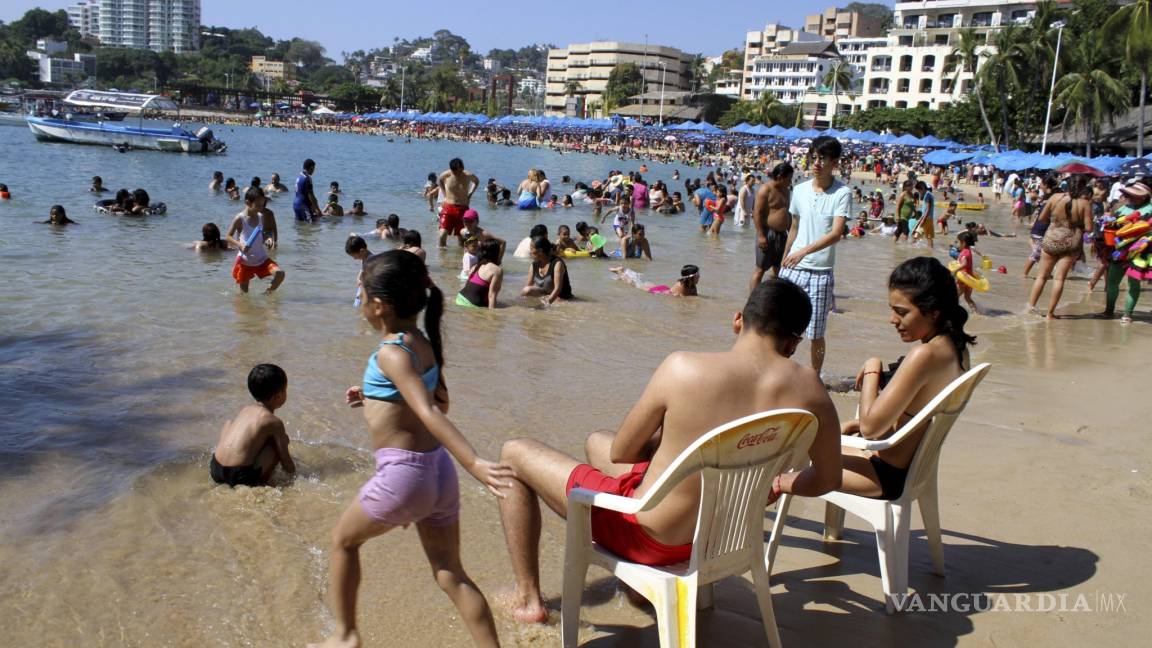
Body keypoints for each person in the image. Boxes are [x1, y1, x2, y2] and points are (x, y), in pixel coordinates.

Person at [495, 279, 842, 622]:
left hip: (650, 539)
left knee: (514, 453)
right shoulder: (810, 390)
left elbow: (624, 451)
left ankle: (529, 600)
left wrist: (673, 432)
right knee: (595, 441)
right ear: (795, 342)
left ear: (738, 319)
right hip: (719, 541)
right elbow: (828, 478)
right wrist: (779, 484)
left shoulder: (683, 368)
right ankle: (634, 587)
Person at [310, 251, 510, 648]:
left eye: (360, 296)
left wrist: (474, 462)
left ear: (379, 305)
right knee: (450, 571)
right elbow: (436, 401)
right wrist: (370, 395)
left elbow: (429, 410)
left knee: (342, 542)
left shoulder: (390, 352)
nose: (359, 304)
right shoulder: (419, 342)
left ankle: (346, 635)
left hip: (404, 475)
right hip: (437, 472)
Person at [837, 257, 974, 499]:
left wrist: (872, 368)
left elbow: (871, 429)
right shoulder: (957, 348)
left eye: (901, 312)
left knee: (788, 452)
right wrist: (852, 424)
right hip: (908, 469)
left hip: (881, 474)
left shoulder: (925, 355)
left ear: (934, 312)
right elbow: (918, 414)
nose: (893, 319)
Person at [210, 363, 296, 488]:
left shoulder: (246, 409)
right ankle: (262, 484)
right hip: (239, 478)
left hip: (216, 469)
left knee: (229, 423)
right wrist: (296, 475)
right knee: (280, 441)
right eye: (285, 390)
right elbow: (286, 462)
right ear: (278, 395)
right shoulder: (273, 422)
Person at [1027, 175, 1093, 319]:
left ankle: (1031, 307)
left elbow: (1042, 218)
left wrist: (1056, 221)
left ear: (1067, 185)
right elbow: (1089, 228)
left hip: (1051, 239)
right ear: (1083, 187)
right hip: (1071, 243)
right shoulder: (1085, 203)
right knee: (1059, 279)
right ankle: (1050, 314)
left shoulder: (1055, 197)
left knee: (1042, 277)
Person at [1101, 181, 1152, 323]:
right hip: (1119, 250)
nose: (1130, 196)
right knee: (1112, 282)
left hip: (1141, 251)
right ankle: (1109, 310)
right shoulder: (1123, 208)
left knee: (1133, 284)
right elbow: (1110, 226)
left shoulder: (1150, 209)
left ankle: (1127, 315)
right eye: (1129, 194)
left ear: (1144, 197)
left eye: (1134, 195)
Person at [227, 187, 285, 294]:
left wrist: (267, 239)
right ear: (248, 203)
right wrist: (240, 245)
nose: (260, 208)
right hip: (245, 261)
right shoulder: (240, 218)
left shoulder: (260, 217)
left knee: (280, 274)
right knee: (244, 294)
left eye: (262, 205)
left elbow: (260, 234)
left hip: (261, 259)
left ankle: (266, 295)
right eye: (258, 205)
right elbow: (228, 236)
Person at [750, 162, 795, 291]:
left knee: (779, 268)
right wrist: (761, 235)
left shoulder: (786, 191)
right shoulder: (766, 189)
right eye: (789, 178)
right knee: (760, 270)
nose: (790, 182)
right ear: (780, 176)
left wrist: (791, 231)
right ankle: (753, 300)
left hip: (782, 235)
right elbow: (756, 213)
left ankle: (772, 297)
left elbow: (787, 212)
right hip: (767, 233)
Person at [437, 158, 479, 247]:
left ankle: (460, 257)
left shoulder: (468, 175)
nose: (456, 172)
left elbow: (477, 181)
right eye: (454, 170)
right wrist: (445, 195)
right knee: (442, 235)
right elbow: (439, 180)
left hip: (463, 208)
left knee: (462, 238)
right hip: (448, 206)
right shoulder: (446, 174)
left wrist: (470, 193)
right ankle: (442, 257)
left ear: (462, 168)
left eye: (458, 170)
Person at [521, 237, 573, 304]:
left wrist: (547, 304)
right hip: (546, 294)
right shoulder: (534, 265)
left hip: (561, 297)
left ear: (540, 251)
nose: (530, 252)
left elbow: (558, 288)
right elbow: (528, 286)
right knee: (527, 290)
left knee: (558, 300)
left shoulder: (557, 264)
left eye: (531, 249)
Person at [456, 239, 504, 309]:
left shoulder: (476, 266)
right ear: (496, 253)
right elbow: (492, 295)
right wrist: (492, 317)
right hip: (471, 304)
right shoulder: (497, 270)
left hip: (460, 298)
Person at [610, 264, 700, 296]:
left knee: (638, 282)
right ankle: (619, 271)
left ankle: (622, 272)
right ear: (691, 277)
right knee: (633, 284)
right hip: (658, 291)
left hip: (664, 289)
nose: (699, 276)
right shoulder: (681, 286)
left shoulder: (692, 286)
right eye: (697, 275)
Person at [954, 232, 980, 313]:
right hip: (969, 279)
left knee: (955, 296)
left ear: (963, 243)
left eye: (958, 242)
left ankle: (952, 311)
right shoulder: (968, 250)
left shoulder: (964, 253)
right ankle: (976, 312)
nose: (957, 244)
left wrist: (955, 270)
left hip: (963, 279)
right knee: (967, 298)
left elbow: (964, 264)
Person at [346, 235, 372, 307]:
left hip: (367, 289)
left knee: (361, 307)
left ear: (361, 251)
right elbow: (362, 269)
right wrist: (358, 277)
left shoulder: (371, 261)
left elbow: (372, 279)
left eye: (354, 256)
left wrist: (362, 292)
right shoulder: (364, 257)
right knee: (357, 307)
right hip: (363, 286)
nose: (354, 258)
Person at [915, 181, 936, 249]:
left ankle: (930, 249)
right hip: (925, 217)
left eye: (919, 190)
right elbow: (921, 199)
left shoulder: (927, 195)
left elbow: (928, 208)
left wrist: (923, 219)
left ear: (923, 188)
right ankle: (915, 247)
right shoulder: (928, 194)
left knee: (928, 236)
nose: (919, 192)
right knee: (917, 233)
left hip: (927, 218)